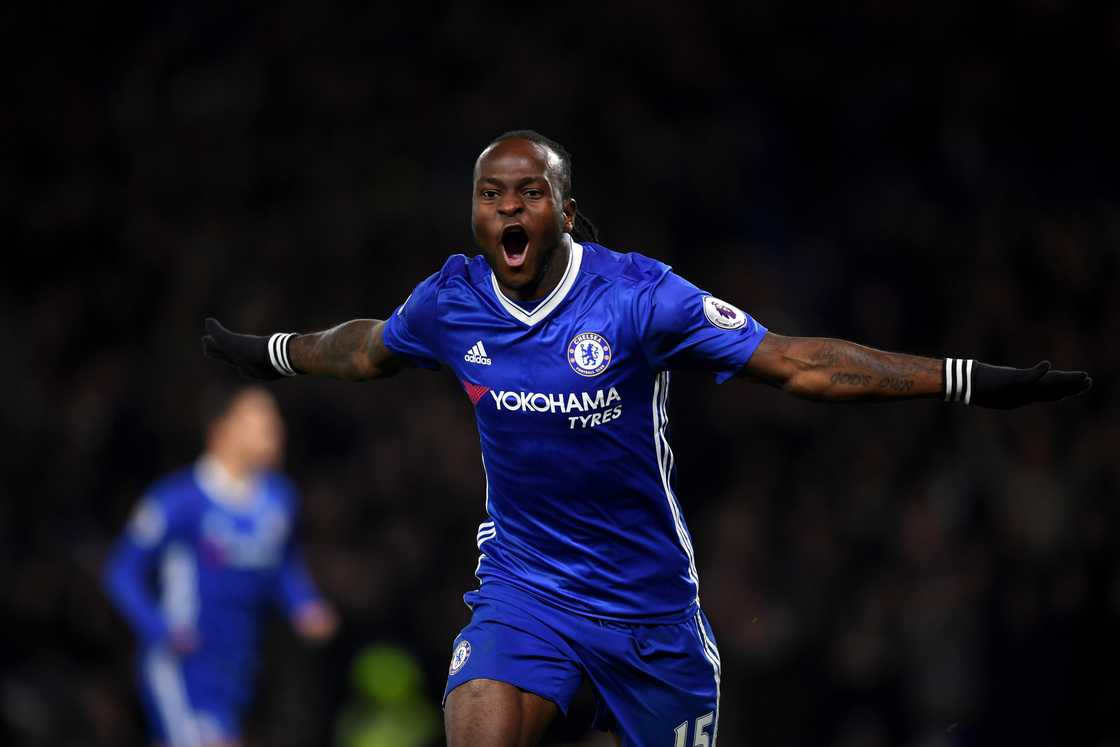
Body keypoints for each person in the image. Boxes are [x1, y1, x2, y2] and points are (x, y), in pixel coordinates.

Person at [200, 131, 1090, 747]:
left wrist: (961, 377)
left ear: (565, 209)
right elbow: (364, 349)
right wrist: (268, 352)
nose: (508, 207)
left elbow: (796, 363)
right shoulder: (452, 301)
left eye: (529, 192)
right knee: (473, 715)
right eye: (489, 193)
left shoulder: (638, 298)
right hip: (526, 593)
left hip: (650, 615)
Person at [104, 386, 338, 747]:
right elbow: (122, 572)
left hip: (240, 666)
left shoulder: (280, 499)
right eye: (260, 420)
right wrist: (162, 630)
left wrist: (304, 605)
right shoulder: (180, 500)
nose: (276, 429)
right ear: (222, 429)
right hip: (185, 666)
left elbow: (283, 565)